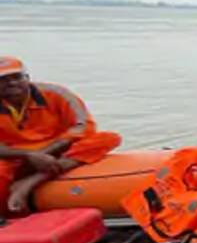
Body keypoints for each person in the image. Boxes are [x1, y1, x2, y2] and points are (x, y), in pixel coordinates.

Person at [0, 57, 122, 216]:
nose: (12, 83)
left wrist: (44, 154)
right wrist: (27, 155)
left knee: (108, 138)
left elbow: (83, 126)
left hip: (58, 147)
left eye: (16, 77)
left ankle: (33, 181)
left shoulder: (56, 94)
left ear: (27, 78)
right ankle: (10, 216)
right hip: (15, 156)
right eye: (3, 79)